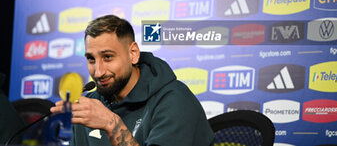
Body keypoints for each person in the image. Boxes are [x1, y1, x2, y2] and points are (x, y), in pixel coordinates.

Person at [50, 15, 214, 146]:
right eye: (91, 59)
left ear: (133, 53)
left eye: (107, 57)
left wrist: (111, 123)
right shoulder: (89, 107)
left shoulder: (175, 100)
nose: (98, 72)